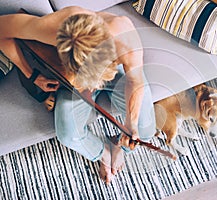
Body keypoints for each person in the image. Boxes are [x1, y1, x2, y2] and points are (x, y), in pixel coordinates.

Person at [0, 6, 156, 184]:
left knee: (145, 130)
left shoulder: (124, 35)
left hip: (119, 75)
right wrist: (31, 75)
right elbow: (1, 28)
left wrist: (130, 124)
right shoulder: (55, 27)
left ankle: (119, 147)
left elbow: (135, 82)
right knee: (67, 134)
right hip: (74, 80)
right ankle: (104, 154)